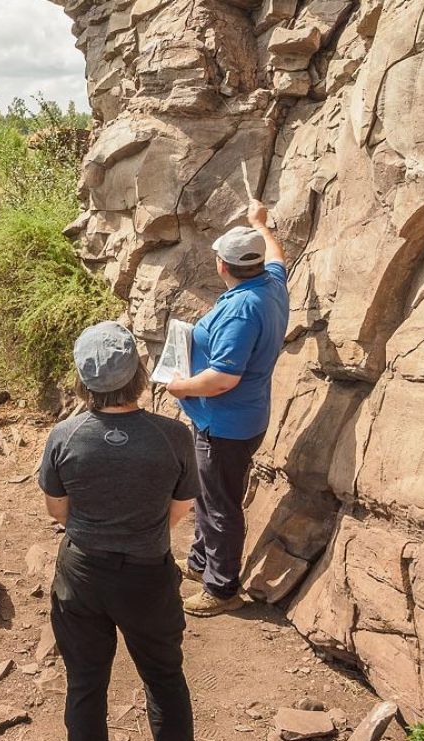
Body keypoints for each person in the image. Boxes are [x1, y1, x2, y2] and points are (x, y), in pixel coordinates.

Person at [40, 322, 207, 741]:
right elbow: (179, 509)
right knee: (163, 677)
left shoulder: (65, 435)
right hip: (147, 575)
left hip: (82, 575)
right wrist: (141, 529)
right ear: (139, 371)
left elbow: (58, 511)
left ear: (83, 380)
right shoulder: (174, 436)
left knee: (86, 681)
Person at [165, 199, 289, 617]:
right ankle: (202, 563)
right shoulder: (270, 282)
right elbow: (277, 256)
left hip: (225, 423)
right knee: (210, 493)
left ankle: (222, 588)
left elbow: (223, 379)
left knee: (220, 506)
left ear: (223, 266)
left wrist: (179, 387)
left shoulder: (241, 310)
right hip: (243, 416)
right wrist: (260, 224)